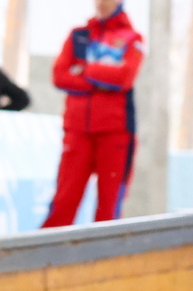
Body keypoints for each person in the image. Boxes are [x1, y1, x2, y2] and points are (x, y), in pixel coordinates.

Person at [42, 0, 143, 227]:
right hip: (77, 131)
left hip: (116, 133)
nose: (100, 2)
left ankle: (107, 259)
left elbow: (124, 78)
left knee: (108, 208)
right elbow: (59, 75)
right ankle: (47, 257)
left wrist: (84, 70)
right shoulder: (78, 35)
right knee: (63, 201)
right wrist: (101, 80)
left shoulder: (132, 38)